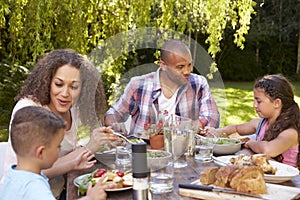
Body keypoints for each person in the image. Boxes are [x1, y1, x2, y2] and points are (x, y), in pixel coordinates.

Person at [1, 49, 119, 198]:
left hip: (61, 189)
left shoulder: (73, 108)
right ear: (47, 81)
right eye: (59, 84)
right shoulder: (31, 110)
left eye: (74, 87)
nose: (65, 93)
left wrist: (96, 144)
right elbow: (30, 166)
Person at [104, 39, 220, 134]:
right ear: (163, 65)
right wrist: (114, 124)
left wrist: (194, 127)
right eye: (180, 67)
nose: (187, 71)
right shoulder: (138, 85)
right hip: (144, 152)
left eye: (189, 65)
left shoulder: (198, 84)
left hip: (184, 154)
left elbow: (212, 116)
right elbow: (113, 113)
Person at [0, 106, 115, 200]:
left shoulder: (14, 176)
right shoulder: (34, 187)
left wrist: (73, 163)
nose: (60, 150)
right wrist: (91, 198)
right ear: (41, 152)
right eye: (58, 146)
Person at [207, 74, 300, 167]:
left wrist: (250, 143)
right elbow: (236, 128)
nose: (254, 105)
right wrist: (217, 132)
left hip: (286, 180)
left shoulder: (290, 133)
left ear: (276, 103)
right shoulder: (261, 123)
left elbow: (268, 150)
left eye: (259, 101)